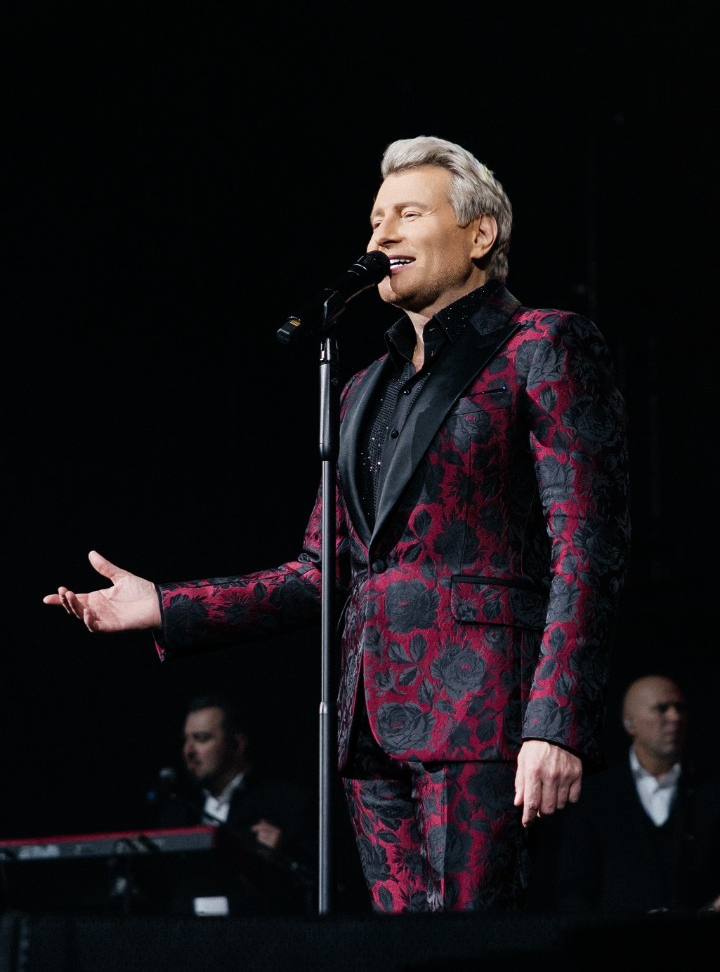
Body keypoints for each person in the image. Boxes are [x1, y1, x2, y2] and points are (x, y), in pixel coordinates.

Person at [43, 134, 631, 914]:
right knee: (397, 955)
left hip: (487, 713)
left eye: (407, 213)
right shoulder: (360, 388)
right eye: (375, 219)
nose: (381, 234)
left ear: (480, 234)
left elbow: (587, 547)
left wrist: (555, 722)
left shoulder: (543, 344)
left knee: (475, 949)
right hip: (368, 726)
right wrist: (166, 605)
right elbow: (320, 572)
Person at [527, 674, 720, 916]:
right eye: (661, 709)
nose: (675, 717)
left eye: (680, 708)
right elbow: (572, 886)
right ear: (630, 723)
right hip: (616, 936)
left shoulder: (711, 790)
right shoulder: (595, 796)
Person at [145, 692, 316, 915]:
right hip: (186, 931)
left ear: (237, 744)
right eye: (186, 739)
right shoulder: (178, 809)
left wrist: (284, 852)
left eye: (201, 738)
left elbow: (318, 885)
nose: (188, 751)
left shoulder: (284, 803)